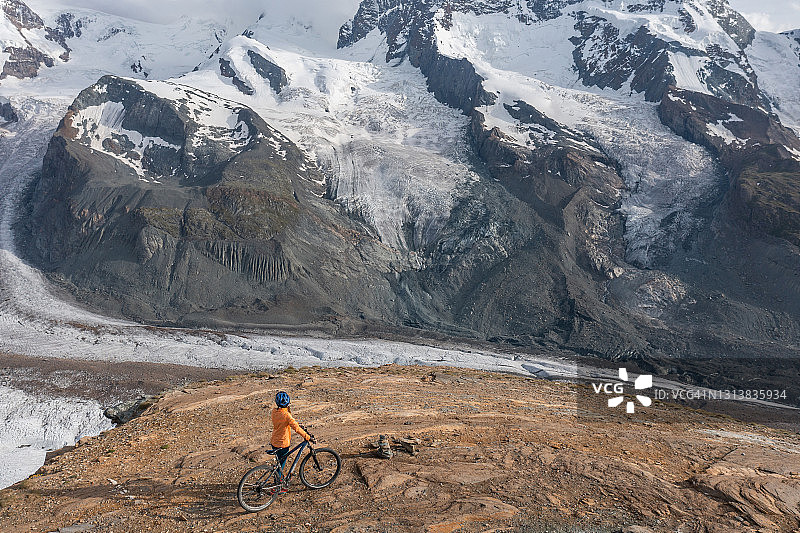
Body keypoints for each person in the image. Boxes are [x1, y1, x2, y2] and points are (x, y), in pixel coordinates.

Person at [271, 391, 311, 486]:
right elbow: (296, 428)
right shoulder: (287, 415)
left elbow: (286, 422)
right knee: (281, 465)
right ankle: (278, 486)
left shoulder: (274, 412)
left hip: (274, 441)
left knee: (279, 464)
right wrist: (307, 436)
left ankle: (277, 478)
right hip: (283, 443)